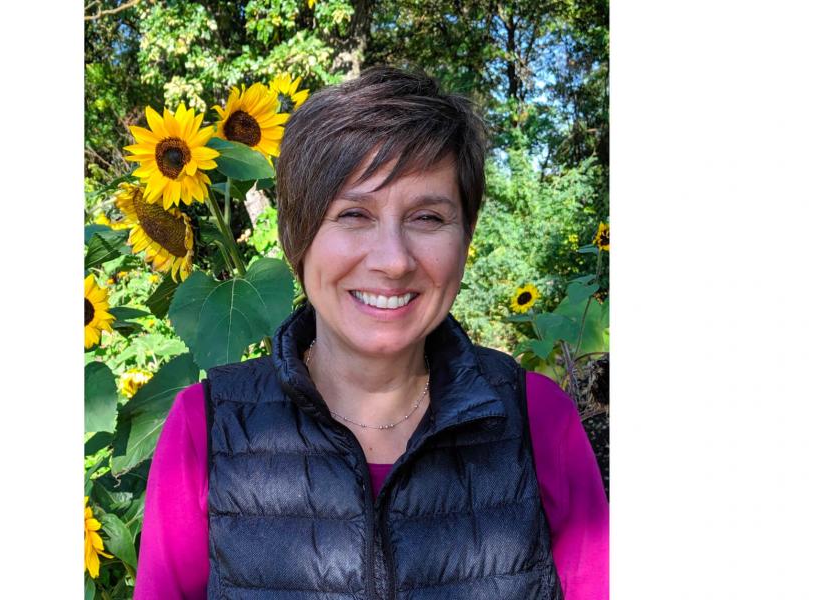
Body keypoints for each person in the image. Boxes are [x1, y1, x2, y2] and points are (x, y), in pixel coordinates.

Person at [135, 67, 608, 599]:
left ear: (465, 237)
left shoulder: (539, 421)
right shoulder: (205, 429)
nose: (393, 261)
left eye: (427, 218)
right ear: (297, 236)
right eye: (354, 213)